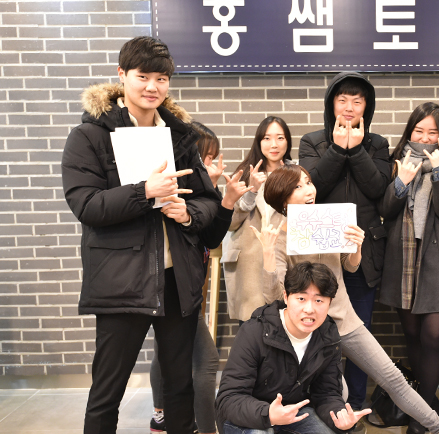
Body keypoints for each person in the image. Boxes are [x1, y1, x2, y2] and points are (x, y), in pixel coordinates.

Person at [61, 36, 221, 434]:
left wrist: (188, 213)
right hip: (121, 281)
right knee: (107, 391)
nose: (153, 87)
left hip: (177, 280)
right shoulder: (90, 135)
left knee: (180, 385)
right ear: (122, 75)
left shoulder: (181, 136)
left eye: (162, 79)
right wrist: (144, 191)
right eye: (143, 76)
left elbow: (209, 200)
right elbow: (86, 205)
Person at [253, 165, 439, 434]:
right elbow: (274, 297)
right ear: (283, 199)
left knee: (392, 377)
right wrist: (268, 254)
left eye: (308, 182)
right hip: (306, 330)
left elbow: (349, 267)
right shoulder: (277, 235)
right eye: (298, 187)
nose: (309, 190)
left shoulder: (329, 219)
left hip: (344, 319)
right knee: (337, 393)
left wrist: (356, 246)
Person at [149, 122, 252, 434]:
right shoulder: (173, 192)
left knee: (166, 352)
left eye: (211, 158)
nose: (210, 164)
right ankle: (206, 428)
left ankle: (161, 417)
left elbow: (211, 238)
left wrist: (223, 197)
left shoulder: (203, 190)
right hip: (173, 289)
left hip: (187, 289)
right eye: (205, 158)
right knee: (205, 361)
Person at [299, 72, 392, 411]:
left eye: (357, 101)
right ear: (331, 105)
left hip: (362, 252)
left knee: (360, 331)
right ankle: (321, 403)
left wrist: (358, 149)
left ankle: (354, 403)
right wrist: (339, 149)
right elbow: (312, 187)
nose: (349, 107)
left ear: (367, 106)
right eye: (342, 100)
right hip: (321, 252)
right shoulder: (312, 141)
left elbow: (378, 189)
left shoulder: (377, 144)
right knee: (316, 330)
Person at [378, 102, 439, 433]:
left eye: (432, 132)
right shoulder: (396, 162)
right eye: (419, 131)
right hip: (403, 257)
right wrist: (401, 181)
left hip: (438, 260)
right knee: (411, 333)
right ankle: (426, 403)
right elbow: (386, 210)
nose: (424, 138)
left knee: (434, 335)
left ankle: (421, 416)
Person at [216, 262, 372, 434]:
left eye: (319, 300)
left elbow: (327, 393)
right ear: (286, 296)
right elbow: (228, 398)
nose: (309, 309)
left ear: (330, 303)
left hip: (294, 412)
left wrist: (340, 418)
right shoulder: (255, 331)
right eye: (301, 299)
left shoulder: (327, 334)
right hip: (248, 417)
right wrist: (268, 414)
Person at [222, 116, 293, 326]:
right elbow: (228, 223)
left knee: (283, 325)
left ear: (288, 141)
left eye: (280, 138)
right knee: (251, 329)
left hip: (284, 259)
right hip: (249, 264)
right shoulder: (244, 174)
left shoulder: (297, 175)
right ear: (259, 142)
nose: (274, 144)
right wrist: (251, 191)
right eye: (267, 138)